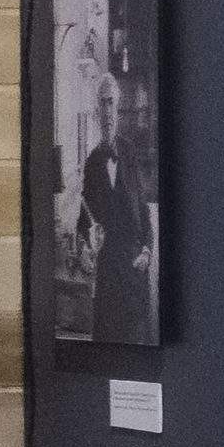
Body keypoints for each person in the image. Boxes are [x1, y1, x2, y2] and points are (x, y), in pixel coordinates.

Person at [74, 72, 154, 344]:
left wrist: (147, 251)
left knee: (137, 350)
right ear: (96, 110)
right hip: (108, 276)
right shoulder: (92, 163)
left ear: (117, 108)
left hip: (134, 270)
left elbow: (143, 211)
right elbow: (84, 220)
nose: (107, 110)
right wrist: (83, 249)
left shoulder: (130, 152)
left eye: (111, 102)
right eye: (102, 102)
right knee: (107, 349)